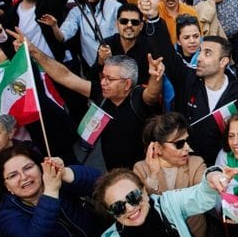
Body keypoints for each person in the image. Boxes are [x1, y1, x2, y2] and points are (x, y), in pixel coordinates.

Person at [25, 27, 164, 170]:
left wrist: (155, 77)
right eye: (103, 77)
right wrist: (34, 51)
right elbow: (65, 76)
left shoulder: (138, 97)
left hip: (145, 171)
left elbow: (152, 94)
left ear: (127, 83)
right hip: (114, 173)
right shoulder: (101, 94)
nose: (103, 82)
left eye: (110, 79)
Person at [140, 0, 238, 164]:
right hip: (186, 163)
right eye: (200, 52)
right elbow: (167, 54)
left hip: (224, 166)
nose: (199, 58)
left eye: (207, 53)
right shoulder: (187, 78)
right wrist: (154, 18)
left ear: (223, 62)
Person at [93, 166, 234, 237]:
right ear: (112, 213)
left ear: (144, 192)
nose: (130, 208)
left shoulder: (167, 204)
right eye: (118, 207)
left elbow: (200, 195)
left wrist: (211, 177)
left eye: (133, 197)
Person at [0, 144, 103, 237]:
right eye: (13, 175)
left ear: (40, 167)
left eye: (28, 168)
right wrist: (51, 192)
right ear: (7, 186)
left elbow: (101, 184)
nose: (24, 177)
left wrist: (65, 173)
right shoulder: (6, 215)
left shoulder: (54, 179)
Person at [48, 0, 122, 67]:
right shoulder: (76, 11)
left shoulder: (113, 5)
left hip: (116, 62)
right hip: (93, 65)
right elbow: (62, 36)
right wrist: (54, 26)